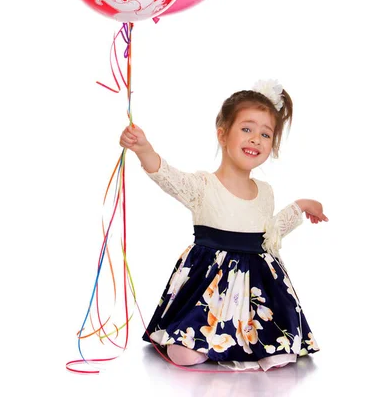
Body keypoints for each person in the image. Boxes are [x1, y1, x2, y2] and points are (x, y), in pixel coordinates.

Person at [120, 80, 328, 372]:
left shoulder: (265, 191)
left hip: (255, 291)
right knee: (185, 352)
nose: (256, 139)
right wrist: (144, 148)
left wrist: (301, 206)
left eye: (265, 134)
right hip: (210, 287)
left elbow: (270, 232)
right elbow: (166, 175)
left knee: (280, 352)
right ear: (222, 134)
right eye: (246, 129)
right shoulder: (203, 186)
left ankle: (248, 342)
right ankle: (200, 342)